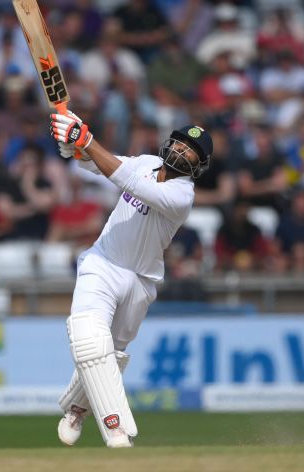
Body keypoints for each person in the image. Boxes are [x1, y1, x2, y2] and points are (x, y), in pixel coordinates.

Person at [48, 110, 213, 449]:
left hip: (141, 281)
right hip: (102, 263)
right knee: (89, 340)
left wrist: (87, 141)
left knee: (113, 353)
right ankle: (117, 432)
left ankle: (77, 408)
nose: (181, 151)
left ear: (199, 165)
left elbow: (126, 180)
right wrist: (75, 148)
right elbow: (99, 165)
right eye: (180, 143)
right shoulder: (145, 162)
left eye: (190, 151)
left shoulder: (183, 196)